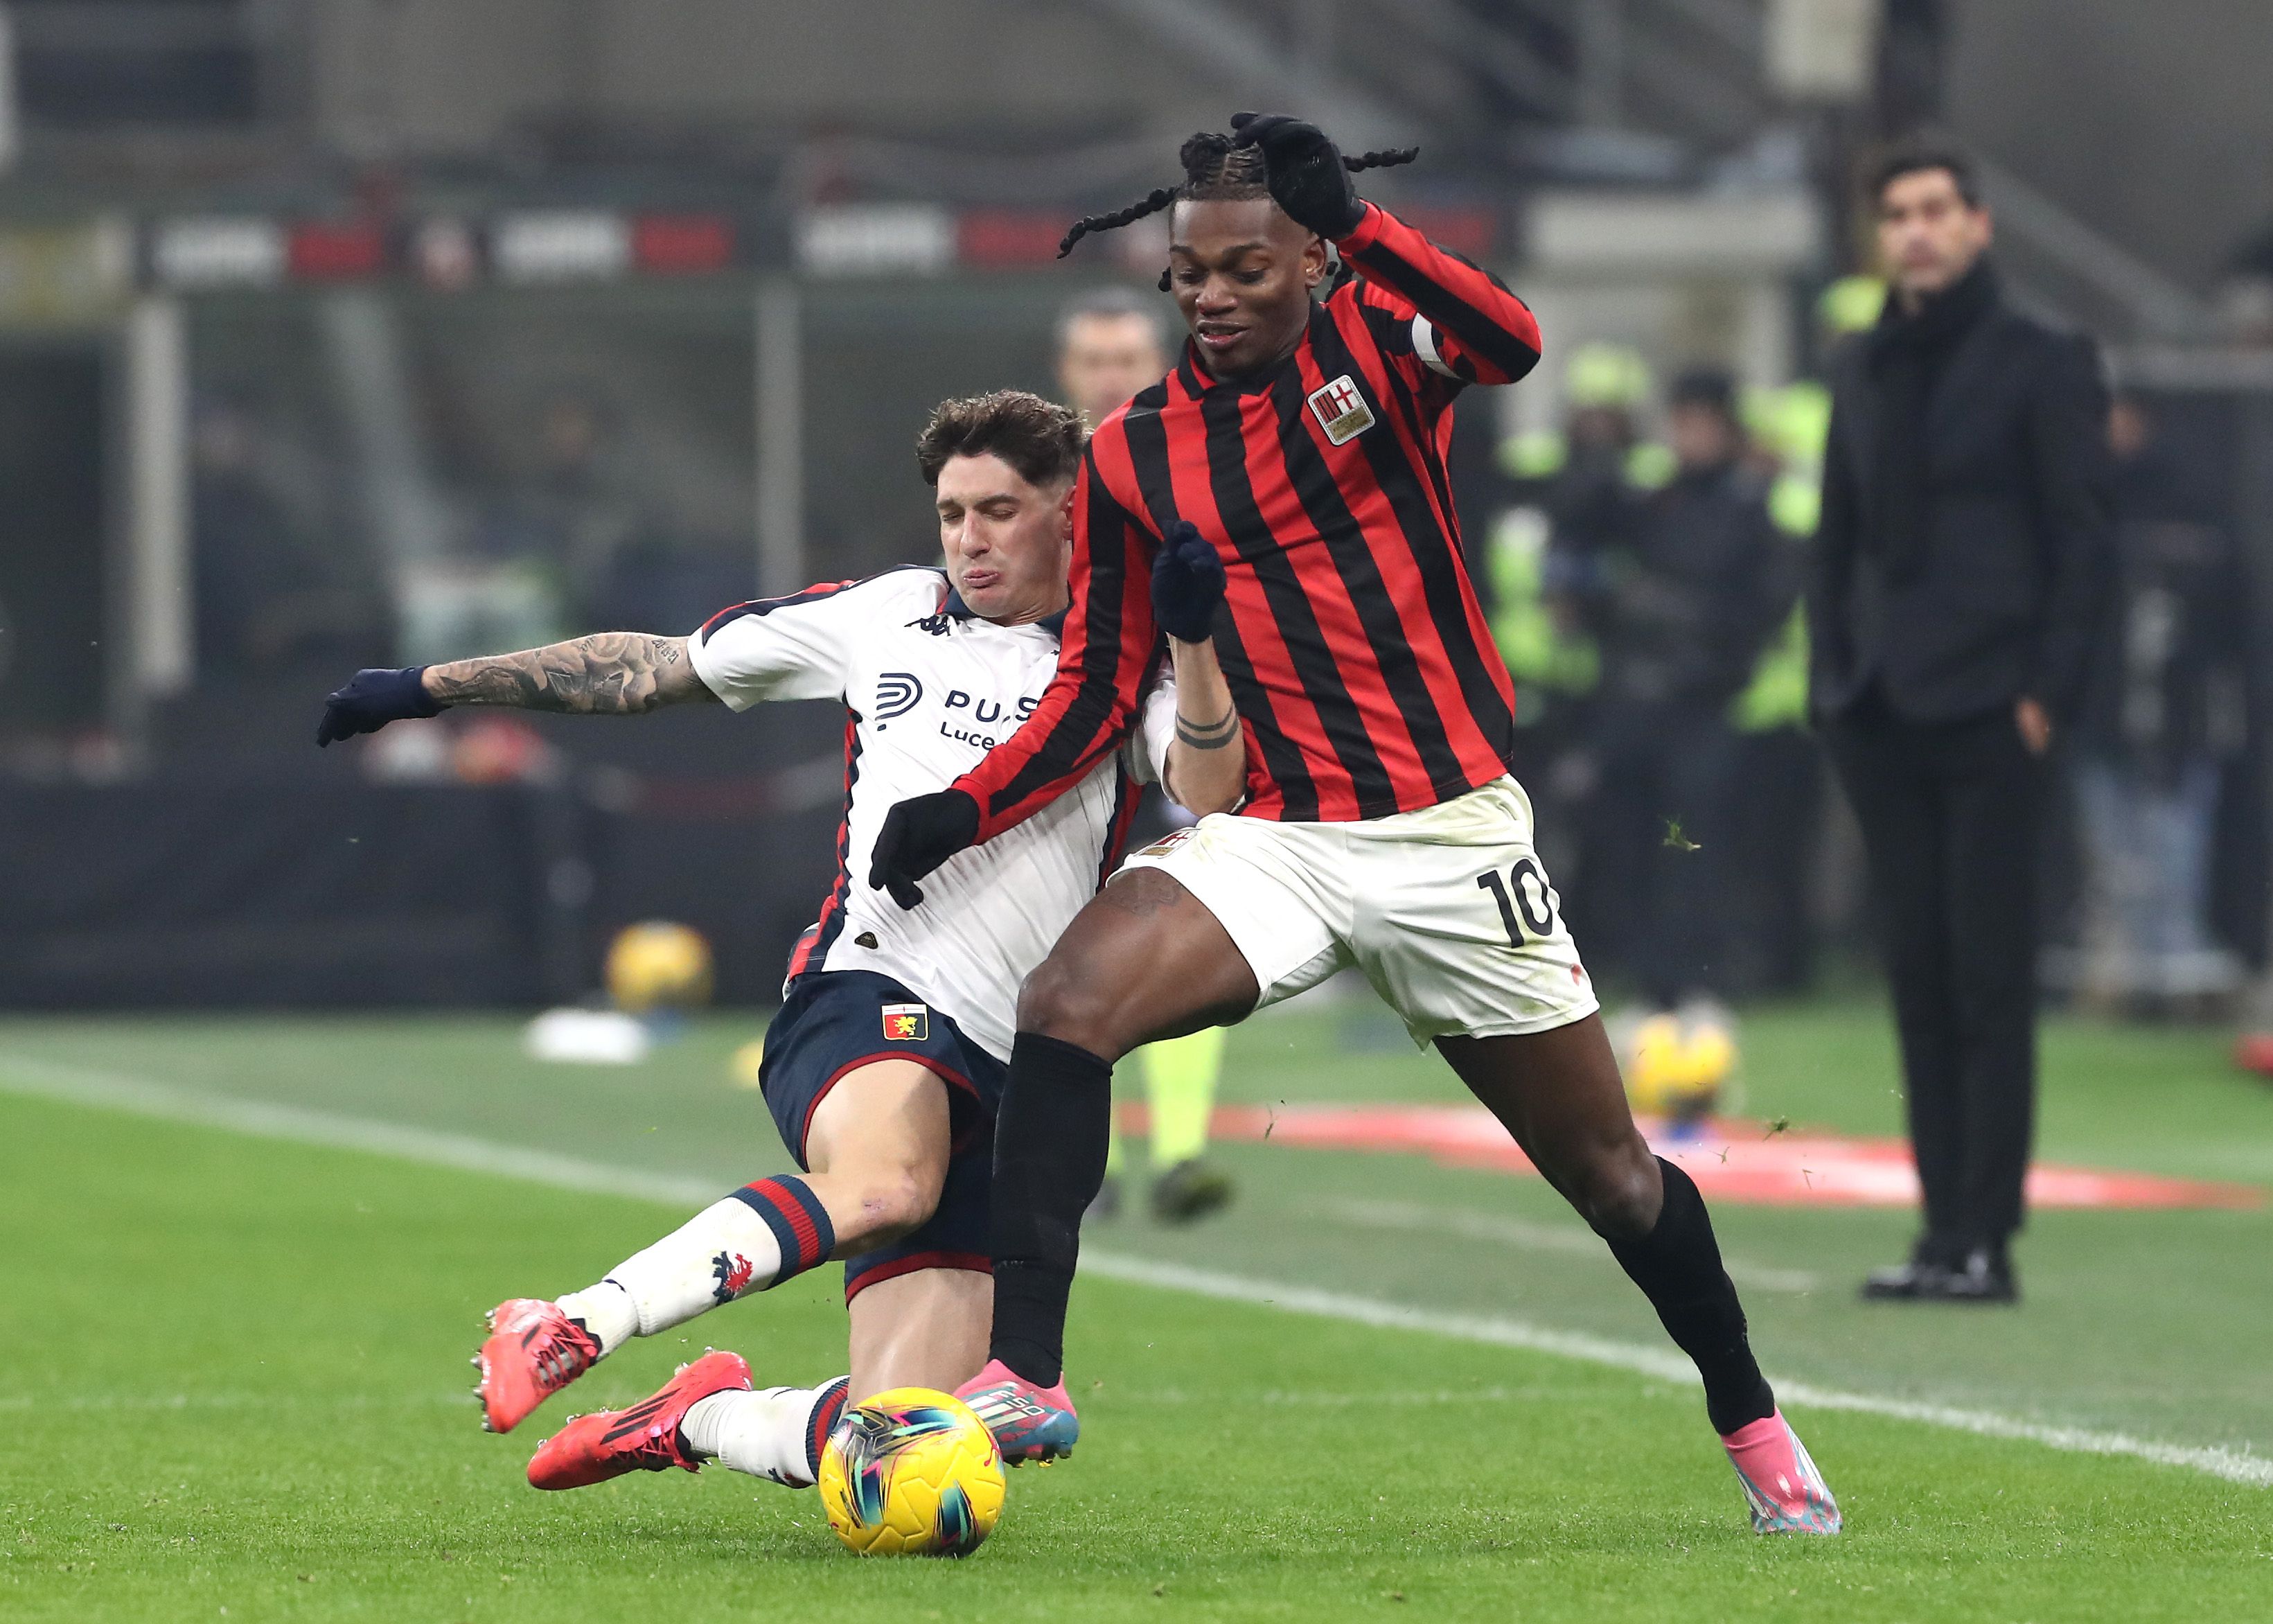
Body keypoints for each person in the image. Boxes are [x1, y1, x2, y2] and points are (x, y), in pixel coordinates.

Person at [871, 115, 1841, 1535]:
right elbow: (1091, 683)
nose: (1210, 295)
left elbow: (1505, 340)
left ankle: (1750, 1418)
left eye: (1246, 268)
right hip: (1279, 837)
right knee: (1064, 1003)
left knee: (1609, 1173)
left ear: (1309, 263)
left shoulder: (1374, 353)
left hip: (1449, 837)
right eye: (1189, 273)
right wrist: (965, 802)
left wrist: (1372, 228)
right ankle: (1026, 1369)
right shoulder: (1136, 451)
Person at [312, 389, 1248, 1493]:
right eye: (951, 514)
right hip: (867, 991)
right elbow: (653, 668)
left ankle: (699, 1418)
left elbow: (1210, 784)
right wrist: (432, 686)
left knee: (910, 1446)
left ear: (1066, 515)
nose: (969, 540)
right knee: (888, 1186)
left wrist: (1190, 640)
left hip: (1013, 1064)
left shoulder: (1117, 664)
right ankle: (571, 1322)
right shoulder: (884, 615)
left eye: (998, 510)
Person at [1808, 138, 2113, 1305]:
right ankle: (1940, 1230)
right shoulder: (1865, 360)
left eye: (1935, 210)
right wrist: (1830, 678)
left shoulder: (2041, 357)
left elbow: (2084, 539)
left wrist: (2047, 693)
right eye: (1897, 213)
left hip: (1993, 703)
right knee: (1918, 976)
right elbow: (1837, 535)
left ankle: (1988, 1234)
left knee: (1988, 978)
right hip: (1879, 704)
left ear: (1979, 223)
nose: (1917, 230)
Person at [1056, 286, 1237, 1223]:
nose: (1110, 376)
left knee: (1175, 925)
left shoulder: (1198, 455)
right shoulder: (1039, 478)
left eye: (1126, 359)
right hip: (1071, 726)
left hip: (1173, 718)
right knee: (1067, 934)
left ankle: (1177, 1154)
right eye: (1093, 360)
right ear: (1066, 373)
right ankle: (1097, 1162)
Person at [1573, 367, 1795, 1012]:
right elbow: (1589, 541)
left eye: (1701, 423)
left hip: (1706, 706)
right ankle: (1647, 979)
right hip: (1641, 702)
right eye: (1681, 423)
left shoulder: (1749, 508)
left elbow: (1764, 605)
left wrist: (1692, 628)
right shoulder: (1653, 499)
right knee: (1635, 841)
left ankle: (1697, 977)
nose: (1689, 437)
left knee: (1695, 845)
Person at [2069, 394, 2246, 1014]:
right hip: (2104, 718)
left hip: (2176, 720)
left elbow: (2229, 629)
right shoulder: (2086, 508)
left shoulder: (2191, 513)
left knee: (2173, 858)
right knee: (2113, 863)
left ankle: (2174, 984)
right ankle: (2128, 981)